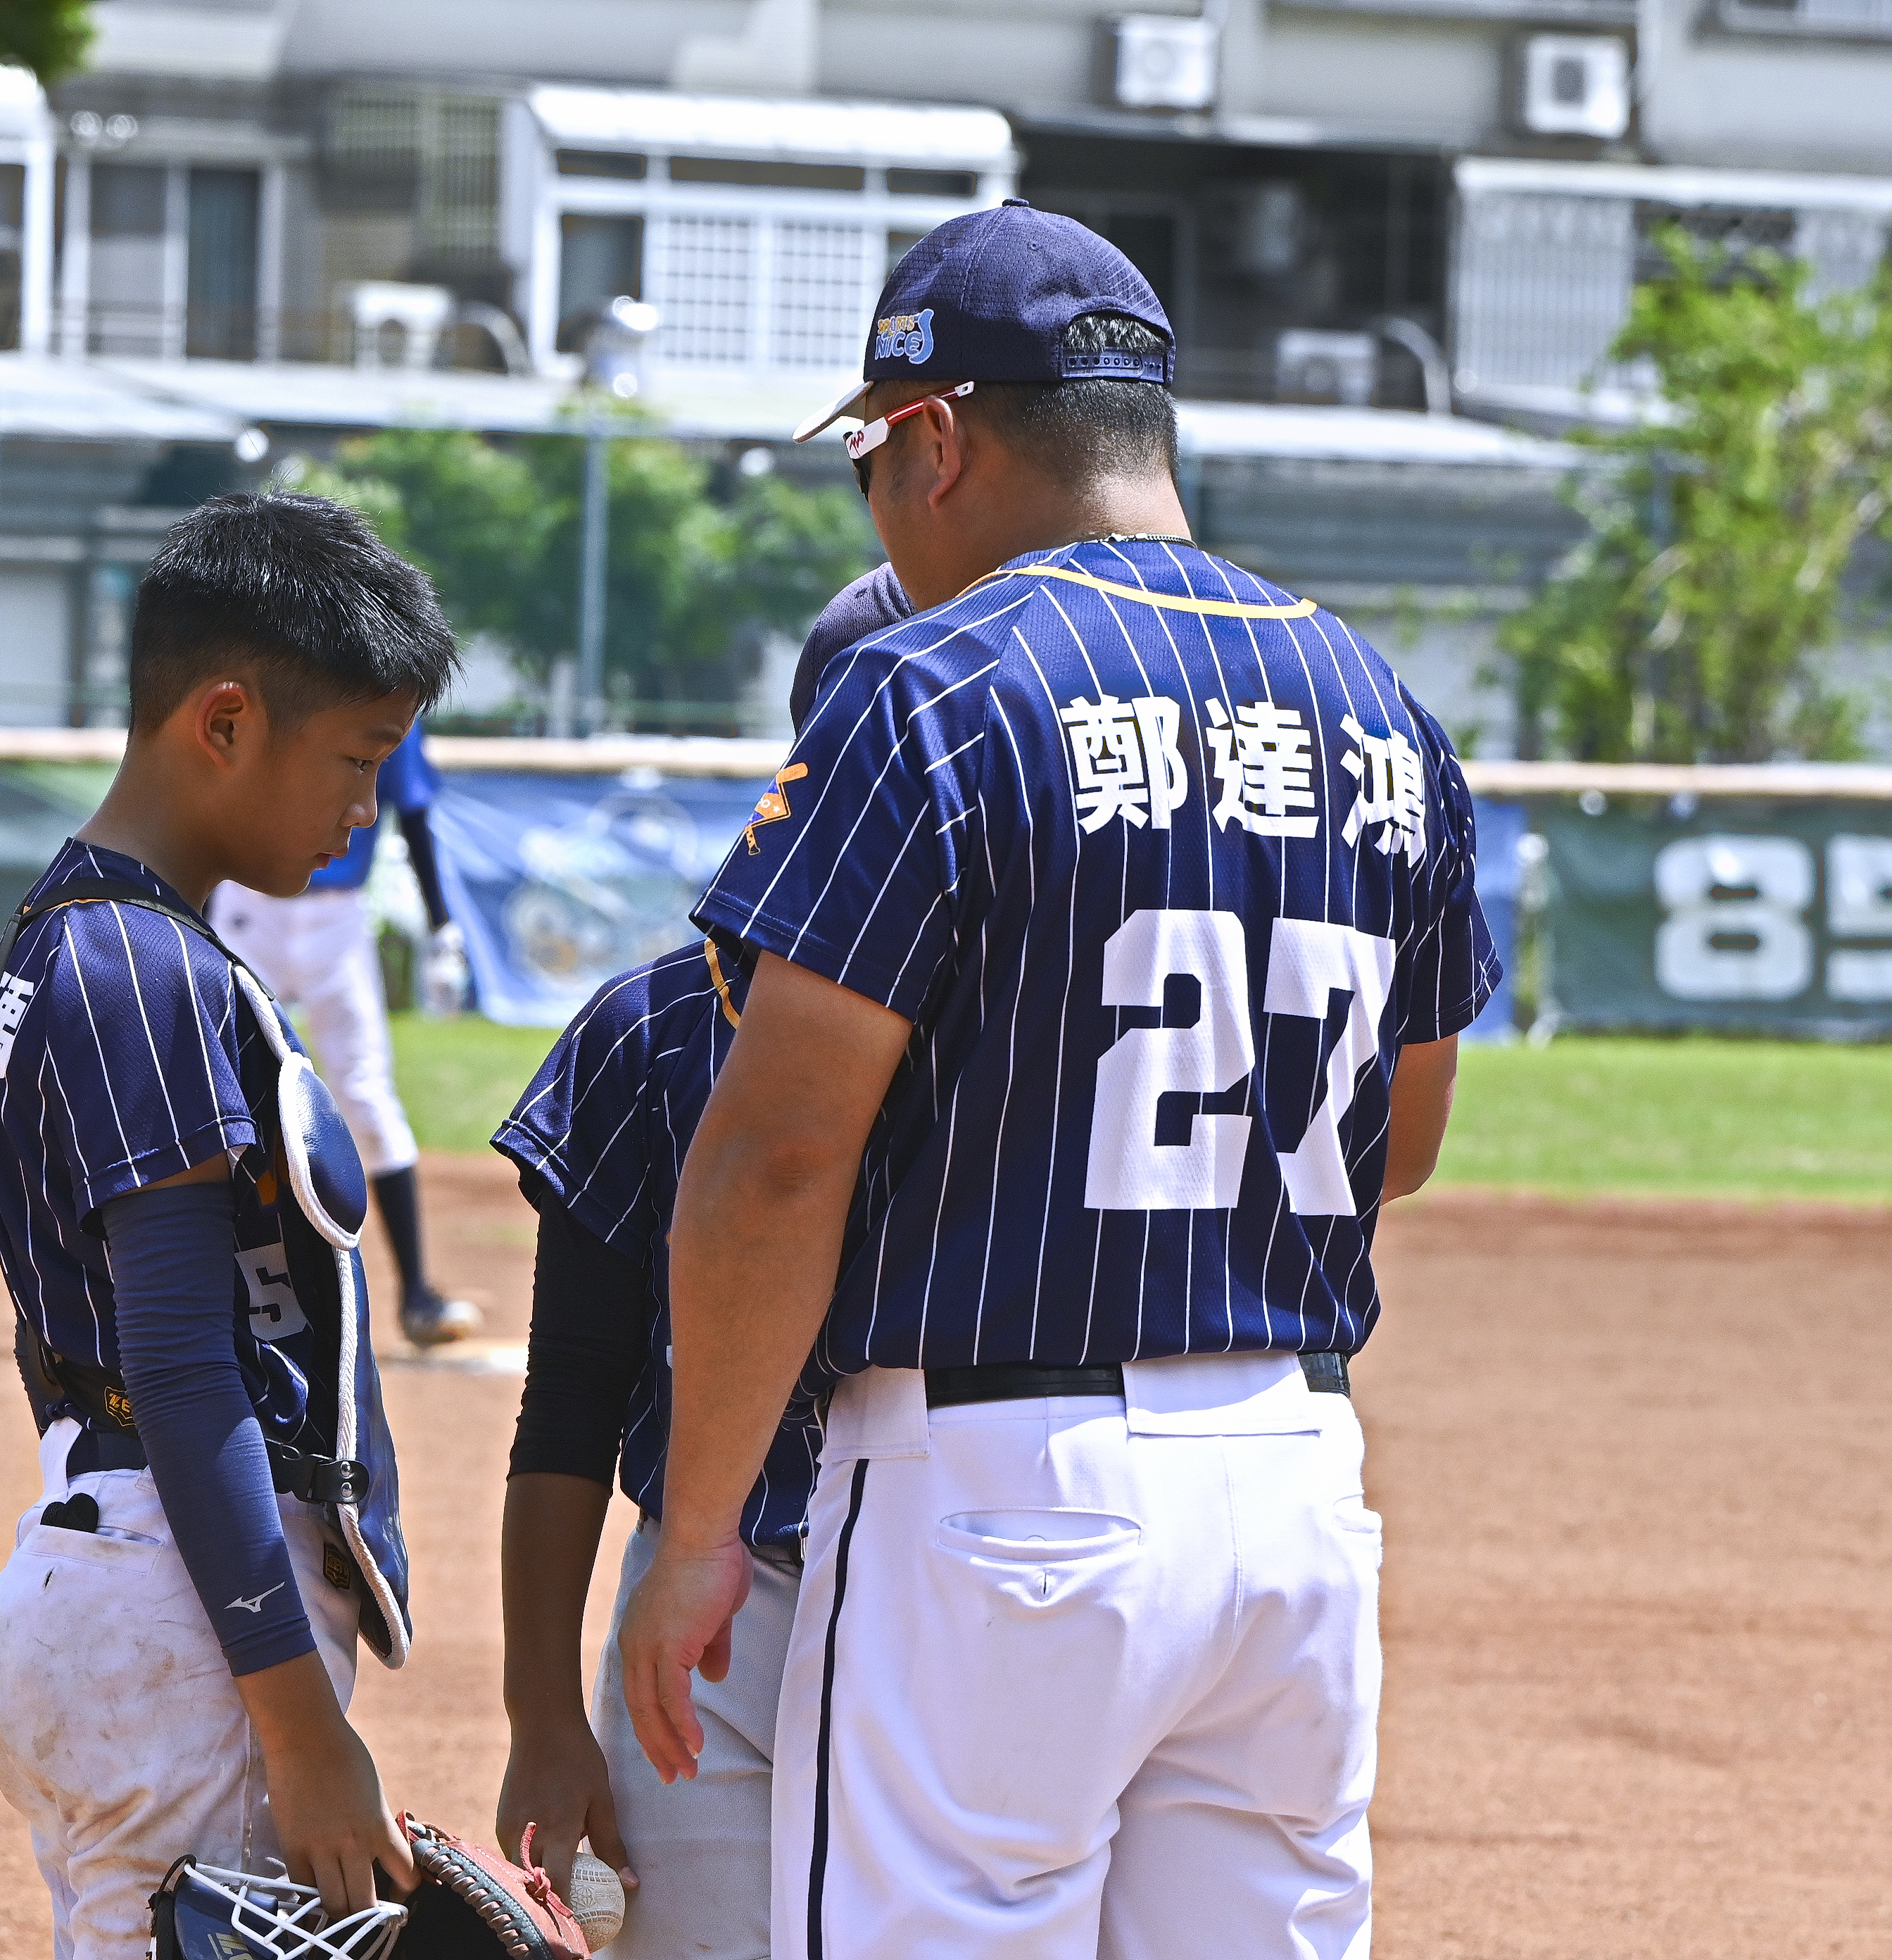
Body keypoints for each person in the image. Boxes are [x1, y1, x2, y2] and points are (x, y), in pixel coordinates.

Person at [617, 204, 1501, 1960]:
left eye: (870, 452)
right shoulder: (1378, 702)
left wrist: (700, 1524)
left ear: (934, 437)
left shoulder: (936, 688)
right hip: (1295, 1476)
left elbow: (777, 1156)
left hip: (999, 1497)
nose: (872, 497)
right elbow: (1398, 1140)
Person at [0, 493, 455, 1959]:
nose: (365, 809)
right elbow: (184, 1368)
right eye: (357, 759)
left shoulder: (91, 939)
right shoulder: (138, 971)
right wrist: (301, 1732)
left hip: (129, 1574)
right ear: (226, 721)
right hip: (185, 1617)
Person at [486, 569, 909, 1959]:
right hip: (710, 1632)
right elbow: (568, 1407)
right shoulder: (659, 1029)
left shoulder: (1030, 1039)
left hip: (952, 1586)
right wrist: (546, 1717)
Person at [212, 717, 484, 1350]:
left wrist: (442, 924)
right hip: (252, 903)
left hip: (340, 919)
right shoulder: (281, 681)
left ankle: (417, 1294)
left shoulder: (392, 701)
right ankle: (214, 1293)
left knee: (365, 1093)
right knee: (222, 1088)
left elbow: (412, 816)